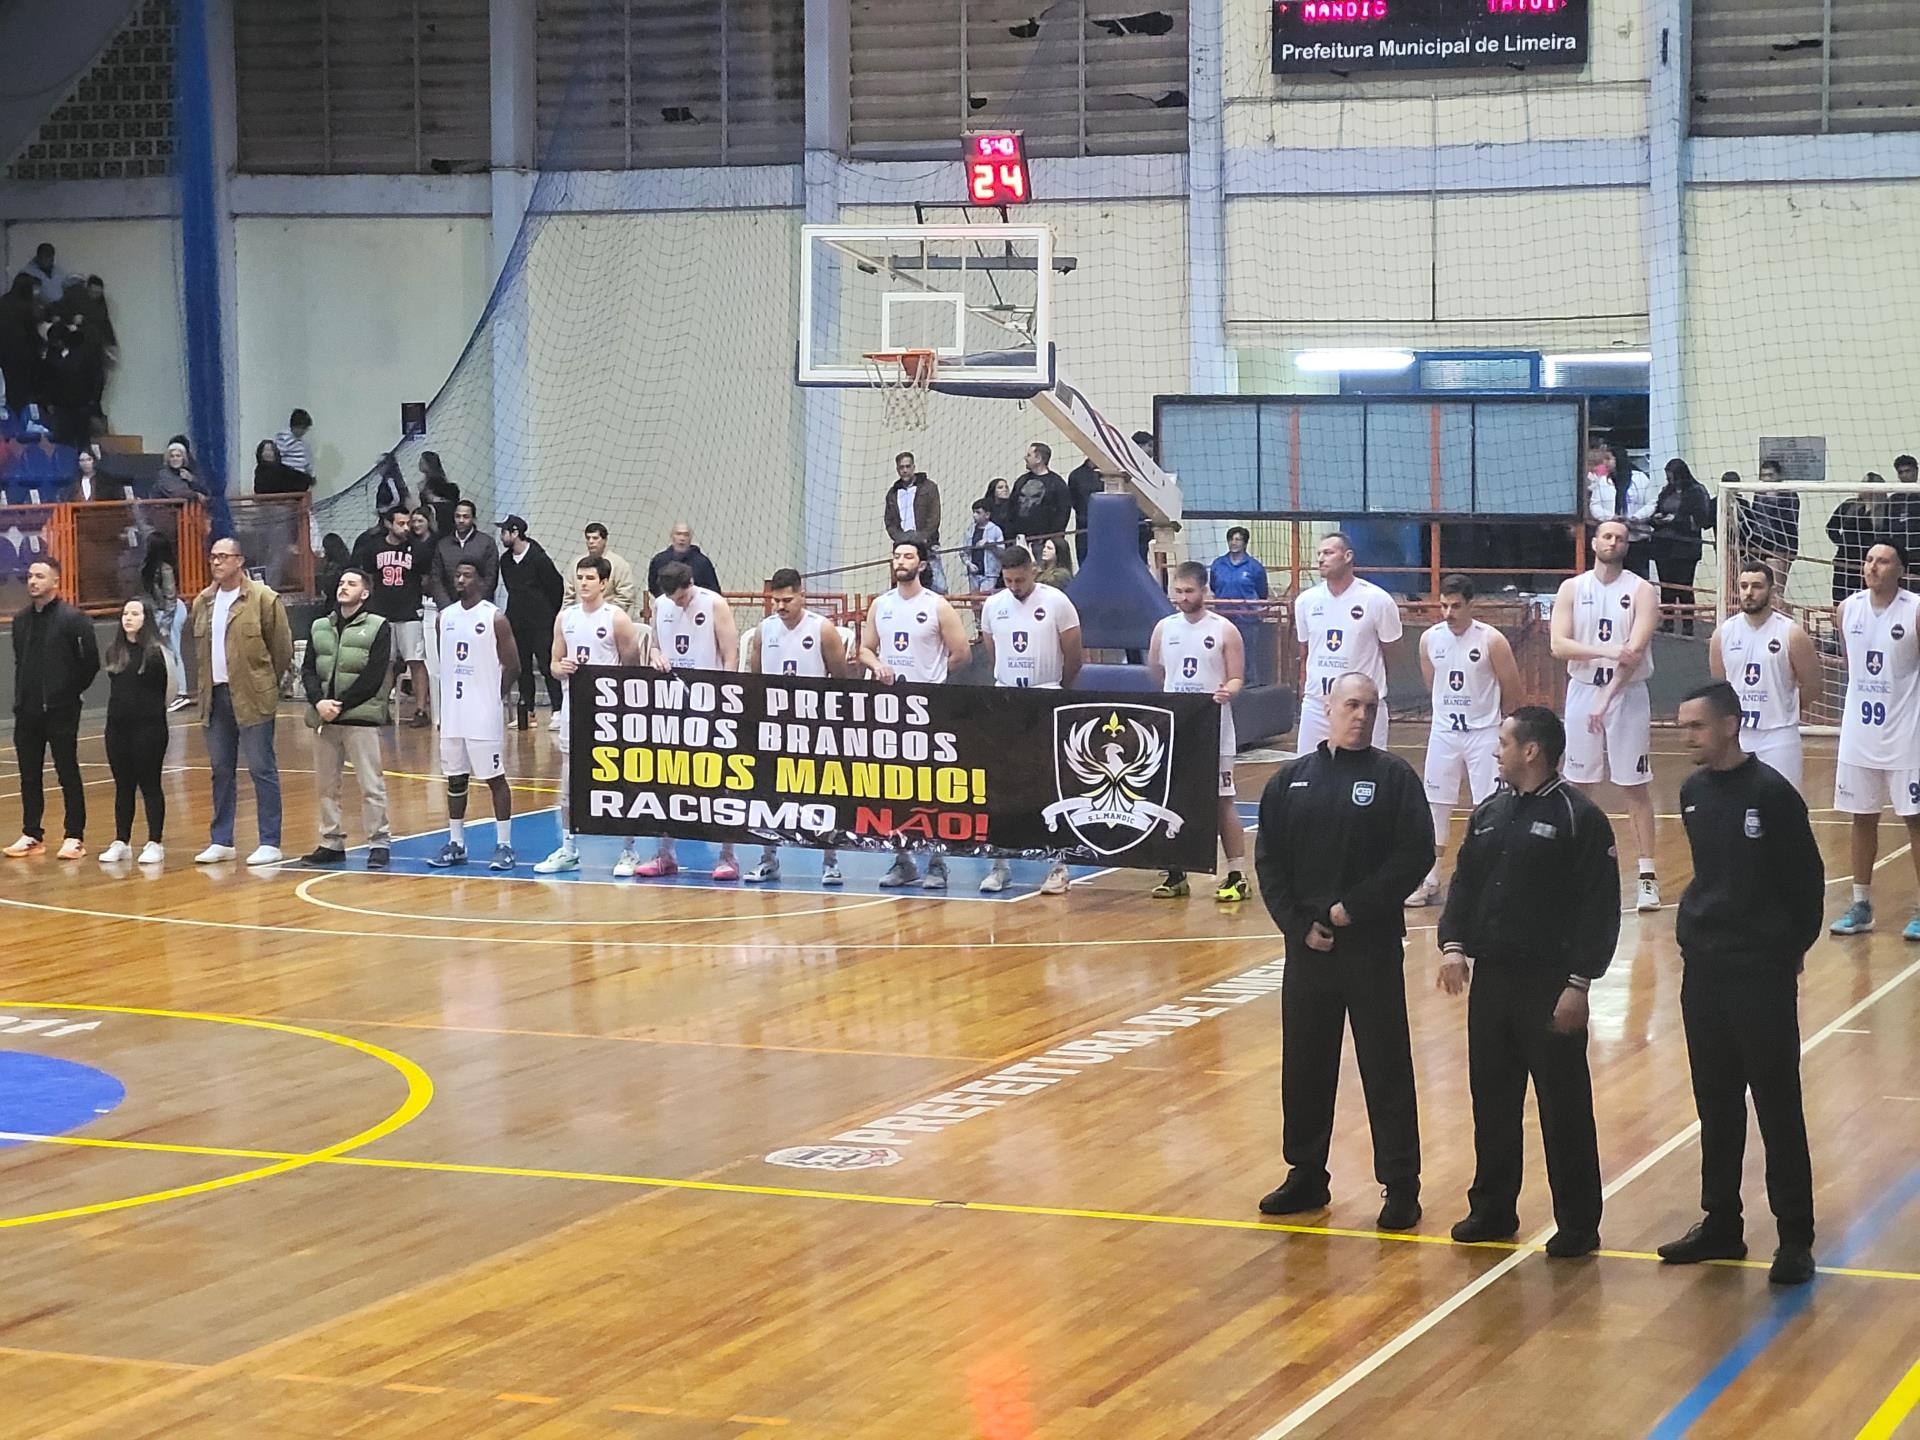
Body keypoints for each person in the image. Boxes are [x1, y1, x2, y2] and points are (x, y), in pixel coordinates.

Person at [1436, 706, 1618, 1258]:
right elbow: (1465, 884)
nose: (1497, 751)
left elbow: (1599, 908)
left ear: (1531, 750)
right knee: (1492, 1100)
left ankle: (1578, 1223)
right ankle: (1492, 1208)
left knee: (1564, 1108)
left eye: (1504, 742)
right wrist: (1453, 945)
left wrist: (1579, 983)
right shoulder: (1489, 812)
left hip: (1550, 985)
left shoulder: (1579, 817)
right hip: (1493, 982)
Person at [1255, 672, 1432, 1230]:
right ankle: (1306, 1173)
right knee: (1305, 1064)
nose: (1361, 715)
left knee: (1386, 1065)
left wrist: (1354, 908)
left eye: (1371, 707)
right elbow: (1270, 862)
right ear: (1328, 709)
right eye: (1352, 705)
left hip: (1371, 948)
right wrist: (1298, 925)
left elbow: (1415, 855)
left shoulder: (1394, 777)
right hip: (1308, 951)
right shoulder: (1290, 782)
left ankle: (1401, 1184)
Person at [1664, 680, 1824, 1287]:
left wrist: (1786, 952)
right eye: (1683, 727)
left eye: (1696, 727)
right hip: (1705, 971)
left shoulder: (1772, 794)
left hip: (1760, 974)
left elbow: (1807, 882)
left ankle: (1795, 1237)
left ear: (1730, 724)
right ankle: (1721, 1223)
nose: (1686, 737)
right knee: (1716, 1103)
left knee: (1778, 1104)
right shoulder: (1692, 792)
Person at [1551, 517, 1661, 912]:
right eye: (1607, 536)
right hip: (1583, 689)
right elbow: (1558, 645)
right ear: (1594, 542)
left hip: (1626, 694)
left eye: (1620, 538)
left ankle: (1647, 876)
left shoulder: (1642, 590)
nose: (1613, 542)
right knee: (1579, 785)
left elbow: (1634, 652)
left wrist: (1607, 697)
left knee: (1634, 785)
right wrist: (1606, 651)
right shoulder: (1572, 588)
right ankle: (1574, 868)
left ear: (1626, 546)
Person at [859, 540, 972, 889]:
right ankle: (903, 860)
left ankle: (937, 862)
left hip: (929, 708)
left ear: (921, 564)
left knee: (931, 787)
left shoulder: (937, 605)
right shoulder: (881, 605)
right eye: (896, 556)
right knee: (894, 786)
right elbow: (865, 649)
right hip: (891, 707)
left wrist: (935, 677)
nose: (900, 561)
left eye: (908, 556)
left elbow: (962, 652)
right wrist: (877, 665)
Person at [978, 545, 1084, 896]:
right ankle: (1000, 865)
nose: (1014, 586)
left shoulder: (1057, 602)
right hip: (1006, 699)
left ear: (1032, 571)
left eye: (1020, 580)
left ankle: (1058, 865)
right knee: (1001, 785)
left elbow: (1074, 655)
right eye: (1008, 580)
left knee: (1048, 785)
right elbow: (993, 651)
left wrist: (1056, 690)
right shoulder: (993, 606)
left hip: (1045, 695)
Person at [534, 556, 649, 876]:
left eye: (590, 578)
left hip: (609, 713)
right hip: (575, 709)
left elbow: (632, 668)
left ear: (604, 583)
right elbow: (553, 664)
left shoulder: (617, 619)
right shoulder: (565, 618)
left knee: (621, 780)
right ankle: (568, 848)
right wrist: (561, 668)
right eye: (580, 577)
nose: (583, 583)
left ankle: (629, 850)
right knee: (569, 784)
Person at [1827, 542, 1920, 936]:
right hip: (1859, 733)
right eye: (1868, 560)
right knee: (1861, 817)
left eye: (1883, 561)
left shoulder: (1914, 609)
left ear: (1901, 570)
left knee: (1915, 819)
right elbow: (1852, 665)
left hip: (1906, 731)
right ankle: (1861, 904)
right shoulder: (1847, 609)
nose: (1873, 567)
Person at [1412, 575, 1522, 906]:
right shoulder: (1430, 640)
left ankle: (1491, 879)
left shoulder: (1492, 640)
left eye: (1456, 606)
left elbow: (1512, 690)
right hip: (1445, 733)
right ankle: (1430, 878)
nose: (1448, 613)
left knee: (1490, 808)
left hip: (1483, 734)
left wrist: (1499, 729)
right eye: (1444, 606)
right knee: (1435, 806)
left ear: (1471, 605)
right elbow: (1432, 684)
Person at [1147, 561, 1250, 902]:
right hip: (1179, 726)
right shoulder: (1164, 628)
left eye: (1189, 591)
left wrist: (1227, 691)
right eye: (1177, 591)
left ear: (1204, 590)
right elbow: (1157, 673)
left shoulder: (1224, 630)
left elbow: (1237, 677)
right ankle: (1176, 872)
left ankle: (1237, 873)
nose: (1182, 597)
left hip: (1214, 726)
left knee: (1222, 800)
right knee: (1173, 798)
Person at [743, 568, 853, 886]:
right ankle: (768, 859)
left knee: (823, 792)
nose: (781, 606)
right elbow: (757, 679)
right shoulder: (764, 630)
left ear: (801, 595)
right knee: (767, 791)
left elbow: (840, 680)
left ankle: (830, 862)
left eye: (787, 600)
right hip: (775, 724)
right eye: (776, 600)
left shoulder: (822, 629)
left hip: (814, 724)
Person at [191, 536, 294, 866]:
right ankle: (222, 840)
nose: (216, 562)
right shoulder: (203, 601)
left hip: (253, 696)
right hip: (215, 696)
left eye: (223, 557)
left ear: (239, 560)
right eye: (213, 557)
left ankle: (269, 841)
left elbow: (281, 649)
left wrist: (265, 684)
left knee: (261, 768)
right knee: (221, 770)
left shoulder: (263, 599)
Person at [637, 559, 742, 881]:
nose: (678, 603)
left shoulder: (714, 604)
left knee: (720, 780)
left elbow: (731, 653)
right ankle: (665, 853)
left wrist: (726, 698)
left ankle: (728, 856)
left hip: (709, 702)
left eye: (682, 597)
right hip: (671, 702)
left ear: (690, 585)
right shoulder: (661, 604)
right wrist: (655, 655)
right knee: (668, 778)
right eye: (673, 598)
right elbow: (655, 646)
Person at [3, 558, 100, 860]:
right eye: (30, 576)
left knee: (67, 771)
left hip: (61, 710)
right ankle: (32, 833)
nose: (33, 581)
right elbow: (21, 661)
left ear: (55, 581)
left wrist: (67, 693)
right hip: (27, 711)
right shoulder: (21, 620)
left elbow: (90, 663)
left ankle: (74, 836)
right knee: (29, 775)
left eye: (40, 576)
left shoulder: (74, 619)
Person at [299, 568, 394, 869]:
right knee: (326, 786)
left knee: (371, 785)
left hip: (359, 719)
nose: (343, 587)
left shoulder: (378, 626)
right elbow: (308, 669)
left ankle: (379, 842)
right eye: (341, 583)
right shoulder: (319, 626)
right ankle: (331, 842)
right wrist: (319, 702)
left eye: (351, 584)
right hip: (325, 718)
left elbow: (374, 676)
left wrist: (339, 706)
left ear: (364, 593)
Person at [427, 560, 519, 870]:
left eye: (467, 575)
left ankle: (504, 845)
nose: (461, 579)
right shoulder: (445, 618)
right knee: (455, 777)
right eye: (457, 575)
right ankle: (456, 842)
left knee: (494, 777)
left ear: (480, 580)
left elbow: (513, 666)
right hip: (453, 713)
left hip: (483, 714)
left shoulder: (495, 618)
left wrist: (493, 695)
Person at [1708, 562, 1819, 793]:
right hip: (1738, 735)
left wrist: (1784, 708)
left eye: (1757, 586)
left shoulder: (1791, 633)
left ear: (1771, 590)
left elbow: (1813, 685)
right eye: (1744, 586)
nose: (1749, 592)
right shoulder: (1723, 634)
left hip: (1779, 735)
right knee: (1735, 802)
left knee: (1784, 801)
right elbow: (1719, 689)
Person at [1293, 532, 1402, 754]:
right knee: (1309, 767)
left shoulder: (1377, 599)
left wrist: (1370, 688)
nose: (1321, 559)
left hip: (1361, 705)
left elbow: (1392, 649)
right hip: (1317, 703)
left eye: (1328, 553)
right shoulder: (1306, 601)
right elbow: (1305, 649)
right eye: (1319, 554)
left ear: (1348, 556)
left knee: (1368, 768)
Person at [95, 596, 171, 866]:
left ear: (146, 619)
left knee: (150, 784)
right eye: (125, 613)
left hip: (149, 728)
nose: (128, 618)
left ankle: (155, 842)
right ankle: (121, 841)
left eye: (135, 613)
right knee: (123, 785)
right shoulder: (114, 651)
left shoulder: (155, 654)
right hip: (117, 727)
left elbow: (165, 691)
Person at [352, 508, 433, 727]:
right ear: (389, 524)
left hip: (409, 612)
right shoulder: (373, 548)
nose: (406, 528)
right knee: (384, 662)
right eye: (401, 523)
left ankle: (421, 710)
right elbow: (368, 576)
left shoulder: (417, 548)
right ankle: (380, 709)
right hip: (382, 613)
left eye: (408, 523)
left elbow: (426, 575)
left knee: (415, 660)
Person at [498, 515, 566, 728]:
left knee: (547, 665)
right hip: (517, 622)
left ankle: (558, 710)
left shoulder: (539, 558)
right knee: (522, 667)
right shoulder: (505, 561)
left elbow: (556, 587)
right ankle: (527, 710)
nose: (501, 536)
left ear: (515, 533)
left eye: (504, 532)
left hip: (541, 622)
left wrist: (546, 613)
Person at [1649, 459, 1713, 636]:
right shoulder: (1666, 491)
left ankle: (1687, 625)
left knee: (1684, 586)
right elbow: (1655, 510)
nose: (1670, 480)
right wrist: (1656, 518)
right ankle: (1668, 621)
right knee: (1666, 586)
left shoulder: (1697, 491)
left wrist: (1676, 520)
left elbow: (1702, 520)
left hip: (1685, 547)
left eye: (1672, 476)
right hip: (1663, 544)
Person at [1211, 526, 1272, 687]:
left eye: (1238, 539)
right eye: (1231, 539)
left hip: (1247, 619)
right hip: (1223, 618)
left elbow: (1262, 591)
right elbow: (1214, 586)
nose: (1234, 542)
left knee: (1247, 653)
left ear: (1245, 543)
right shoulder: (1218, 564)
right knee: (1220, 652)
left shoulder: (1255, 567)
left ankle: (1249, 686)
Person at [1586, 444, 1655, 578]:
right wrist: (1611, 517)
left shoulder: (1640, 478)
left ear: (1618, 459)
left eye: (1609, 458)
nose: (1605, 462)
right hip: (1612, 539)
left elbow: (1651, 503)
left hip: (1636, 538)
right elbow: (1595, 506)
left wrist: (1636, 517)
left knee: (1637, 575)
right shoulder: (1603, 481)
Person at [1827, 473, 1892, 610]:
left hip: (1869, 562)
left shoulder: (1886, 508)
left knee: (1868, 599)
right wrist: (1843, 543)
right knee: (1841, 599)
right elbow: (1831, 527)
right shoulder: (1849, 505)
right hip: (1845, 559)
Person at [1732, 459, 1799, 592]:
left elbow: (1789, 521)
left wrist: (1770, 502)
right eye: (1764, 475)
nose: (1767, 479)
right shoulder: (1759, 493)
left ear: (1779, 475)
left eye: (1770, 475)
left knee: (1775, 589)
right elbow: (1755, 516)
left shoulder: (1789, 495)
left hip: (1780, 545)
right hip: (1759, 544)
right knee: (1758, 588)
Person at [883, 452, 946, 594]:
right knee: (904, 583)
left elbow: (934, 516)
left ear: (913, 467)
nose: (905, 470)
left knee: (939, 587)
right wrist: (900, 538)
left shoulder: (929, 487)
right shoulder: (892, 493)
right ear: (897, 469)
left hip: (928, 544)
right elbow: (889, 521)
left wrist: (922, 537)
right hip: (903, 545)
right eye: (901, 467)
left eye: (907, 466)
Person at [141, 534, 191, 711]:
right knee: (165, 653)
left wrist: (165, 624)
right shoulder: (151, 567)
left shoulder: (165, 568)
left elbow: (170, 597)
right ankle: (172, 691)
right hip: (160, 612)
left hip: (171, 612)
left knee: (174, 651)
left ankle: (182, 693)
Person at [563, 523, 640, 621]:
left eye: (595, 538)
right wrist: (569, 617)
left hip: (608, 621)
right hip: (580, 619)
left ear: (605, 540)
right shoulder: (576, 564)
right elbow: (569, 596)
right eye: (588, 538)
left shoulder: (619, 564)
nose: (591, 542)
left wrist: (607, 615)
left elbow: (626, 594)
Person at [430, 498, 498, 608]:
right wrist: (446, 606)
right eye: (458, 516)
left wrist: (476, 604)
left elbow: (491, 578)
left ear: (473, 519)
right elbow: (436, 579)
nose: (461, 520)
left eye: (465, 516)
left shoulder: (486, 543)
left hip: (479, 608)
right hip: (449, 608)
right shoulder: (443, 545)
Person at [1008, 442, 1070, 550]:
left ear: (1038, 459)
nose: (1025, 458)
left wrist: (1051, 539)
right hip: (1019, 540)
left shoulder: (1057, 484)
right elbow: (1011, 507)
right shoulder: (1021, 481)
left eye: (1029, 455)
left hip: (1043, 543)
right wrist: (1011, 533)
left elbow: (1063, 514)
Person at [647, 521, 721, 597]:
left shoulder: (702, 562)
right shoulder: (659, 561)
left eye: (686, 535)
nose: (682, 538)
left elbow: (713, 589)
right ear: (672, 536)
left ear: (690, 538)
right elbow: (653, 586)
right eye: (678, 534)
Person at [961, 500, 1004, 592]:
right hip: (973, 573)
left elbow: (1002, 553)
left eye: (978, 512)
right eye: (973, 512)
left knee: (986, 597)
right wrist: (968, 564)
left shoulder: (996, 530)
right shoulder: (969, 530)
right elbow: (963, 552)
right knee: (974, 598)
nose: (974, 515)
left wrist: (990, 545)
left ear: (987, 514)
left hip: (990, 574)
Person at [416, 451, 459, 536]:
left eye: (422, 461)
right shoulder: (423, 483)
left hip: (440, 519)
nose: (419, 464)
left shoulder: (437, 481)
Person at [152, 437, 205, 501]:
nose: (175, 459)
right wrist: (196, 495)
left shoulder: (188, 473)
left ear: (184, 458)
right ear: (168, 459)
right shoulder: (163, 474)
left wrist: (191, 479)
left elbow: (206, 490)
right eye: (172, 456)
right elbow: (175, 492)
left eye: (178, 456)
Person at [274, 408, 314, 477]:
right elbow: (277, 458)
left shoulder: (304, 444)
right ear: (294, 426)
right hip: (286, 476)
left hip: (301, 476)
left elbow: (307, 463)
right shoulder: (283, 438)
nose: (304, 431)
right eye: (302, 428)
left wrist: (311, 475)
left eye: (306, 429)